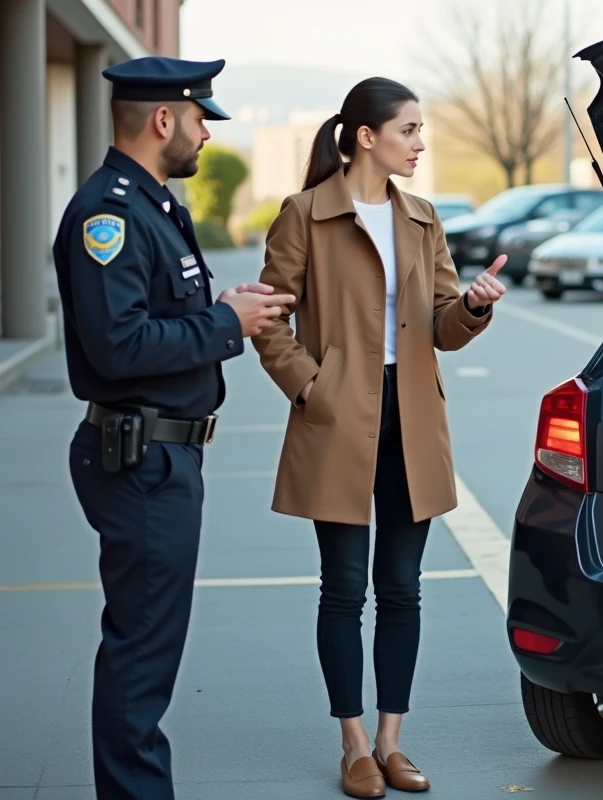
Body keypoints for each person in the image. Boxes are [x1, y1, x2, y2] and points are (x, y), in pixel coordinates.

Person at [251, 77, 506, 797]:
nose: (421, 144)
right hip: (337, 413)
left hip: (413, 414)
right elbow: (268, 317)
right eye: (410, 130)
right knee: (343, 588)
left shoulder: (423, 218)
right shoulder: (305, 213)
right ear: (368, 136)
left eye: (422, 132)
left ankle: (394, 741)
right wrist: (309, 385)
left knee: (402, 588)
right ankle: (354, 745)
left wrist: (476, 307)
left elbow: (444, 327)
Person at [52, 56, 295, 799]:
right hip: (140, 460)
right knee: (141, 656)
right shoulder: (111, 214)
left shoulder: (152, 205)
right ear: (164, 120)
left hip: (159, 455)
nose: (203, 135)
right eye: (198, 119)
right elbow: (118, 345)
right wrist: (226, 323)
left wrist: (220, 307)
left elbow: (148, 317)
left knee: (147, 649)